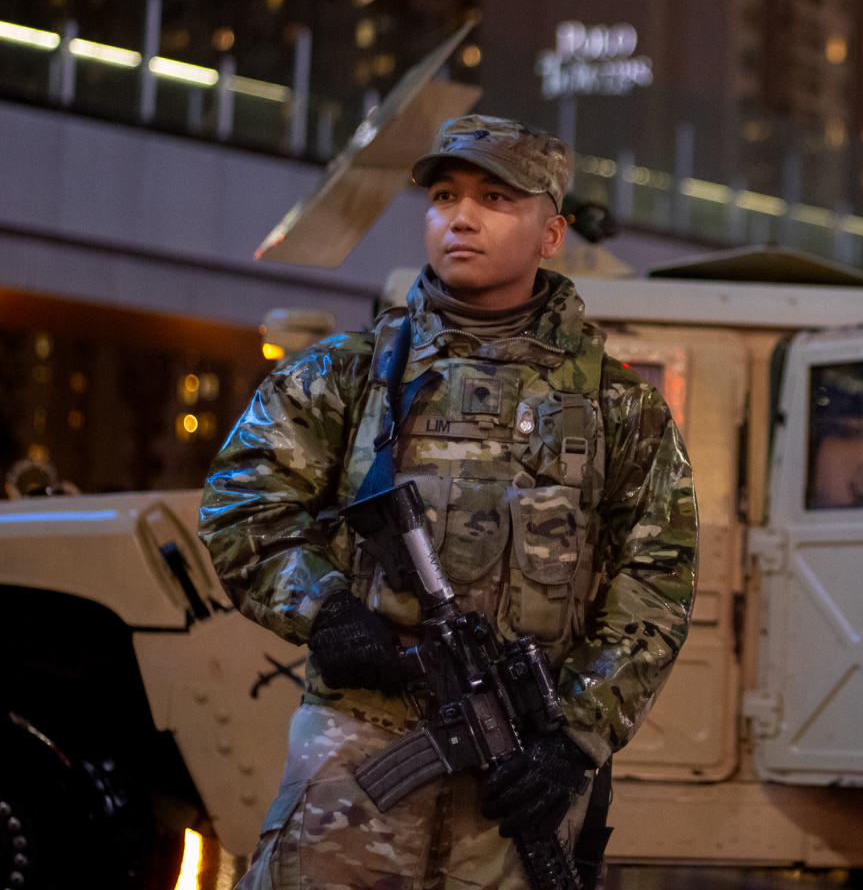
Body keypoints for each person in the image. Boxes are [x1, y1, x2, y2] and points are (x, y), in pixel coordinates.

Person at [200, 115, 697, 889]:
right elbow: (243, 503)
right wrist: (324, 609)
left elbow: (657, 583)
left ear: (551, 234)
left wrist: (573, 739)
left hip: (519, 780)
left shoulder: (617, 405)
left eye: (496, 198)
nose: (460, 217)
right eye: (442, 195)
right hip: (357, 763)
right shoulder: (349, 374)